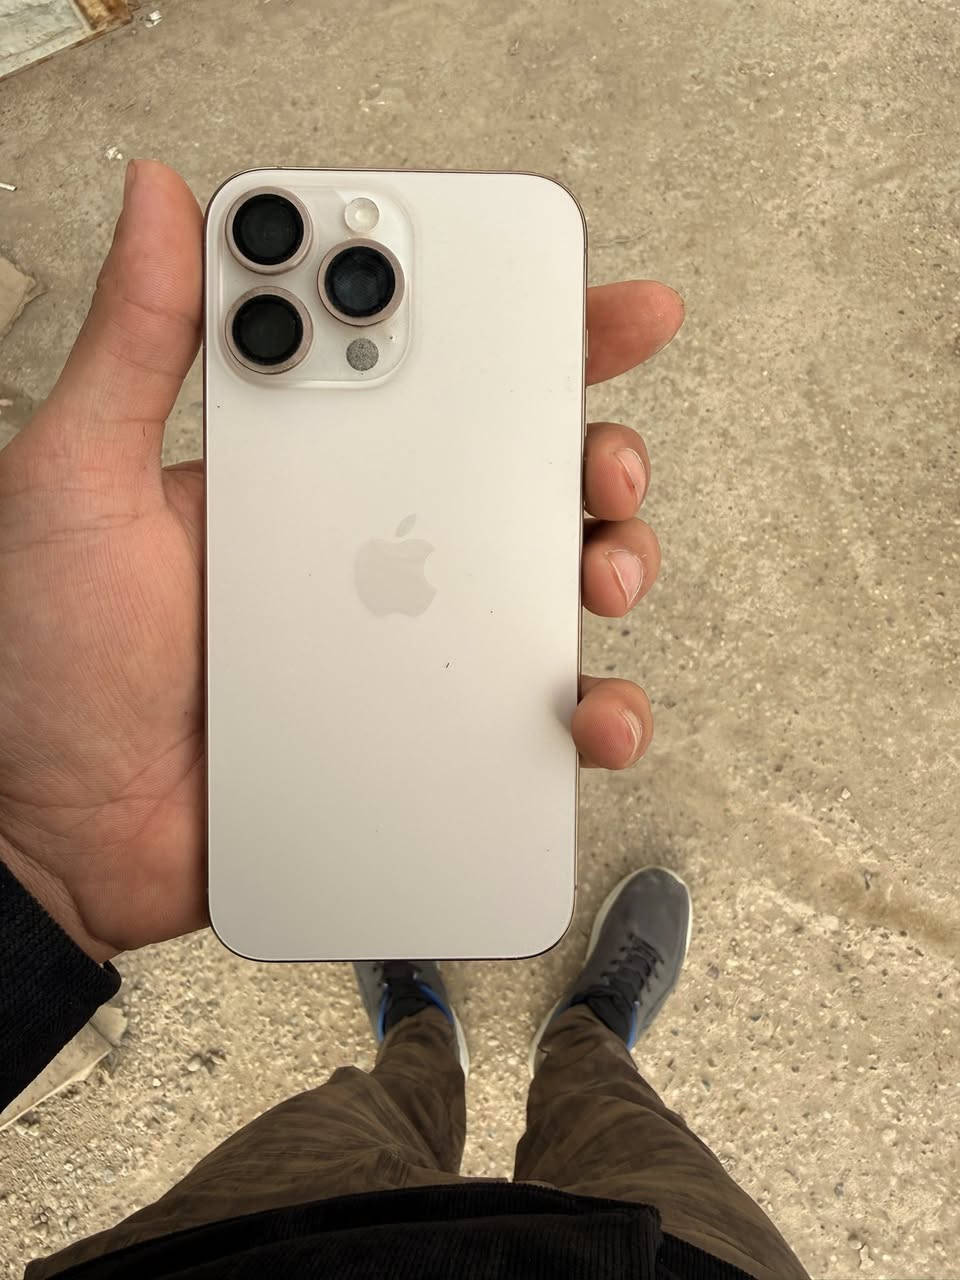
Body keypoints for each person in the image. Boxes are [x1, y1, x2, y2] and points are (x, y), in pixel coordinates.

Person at [0, 161, 809, 1280]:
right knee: (628, 1143)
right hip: (658, 1266)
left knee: (359, 1124)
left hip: (237, 1254)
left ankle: (455, 1036)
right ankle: (563, 1044)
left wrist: (27, 864)